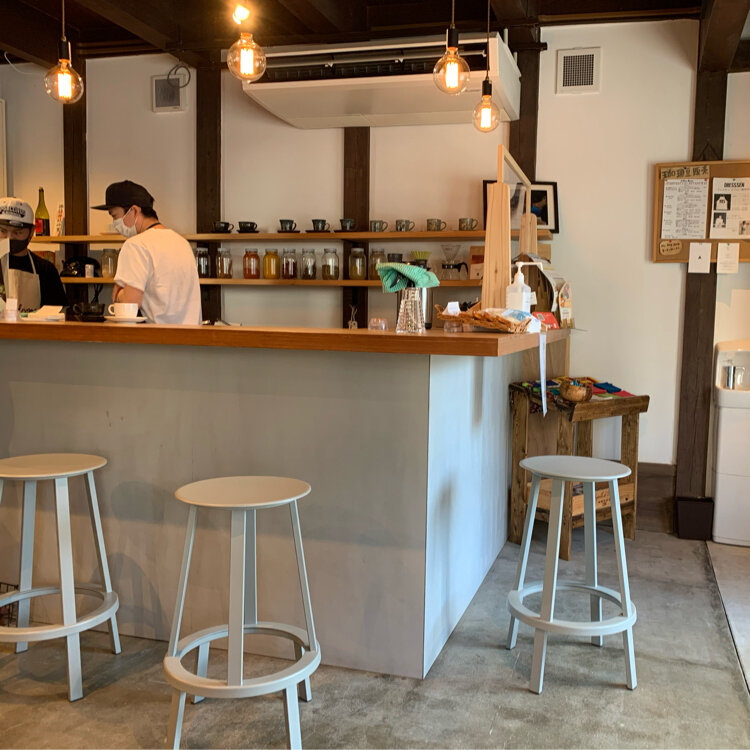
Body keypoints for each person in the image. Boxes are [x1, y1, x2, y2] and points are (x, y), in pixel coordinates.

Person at [92, 180, 201, 324]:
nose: (115, 223)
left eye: (114, 216)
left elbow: (130, 304)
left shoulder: (136, 245)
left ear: (134, 210)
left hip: (158, 335)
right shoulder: (182, 242)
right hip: (193, 335)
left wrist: (119, 292)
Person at [0, 196, 67, 311]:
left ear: (31, 232)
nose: (9, 238)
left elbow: (58, 313)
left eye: (17, 232)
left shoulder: (46, 270)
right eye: (3, 231)